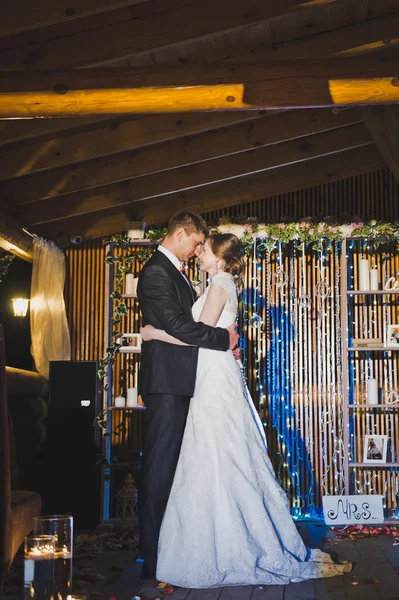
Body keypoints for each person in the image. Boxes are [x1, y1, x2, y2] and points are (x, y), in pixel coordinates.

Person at [140, 232, 352, 588]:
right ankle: (216, 535)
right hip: (209, 371)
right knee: (214, 454)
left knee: (218, 452)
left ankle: (226, 540)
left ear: (220, 258)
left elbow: (195, 332)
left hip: (213, 377)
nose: (199, 253)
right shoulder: (217, 284)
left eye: (204, 250)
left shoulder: (221, 283)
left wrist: (154, 335)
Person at [137, 211, 239, 579]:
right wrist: (223, 341)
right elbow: (181, 326)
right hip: (167, 382)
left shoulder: (175, 272)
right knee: (161, 469)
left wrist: (223, 344)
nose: (198, 250)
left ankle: (173, 548)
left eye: (203, 246)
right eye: (196, 242)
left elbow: (187, 327)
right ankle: (154, 558)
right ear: (180, 233)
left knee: (176, 468)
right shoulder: (155, 272)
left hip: (184, 379)